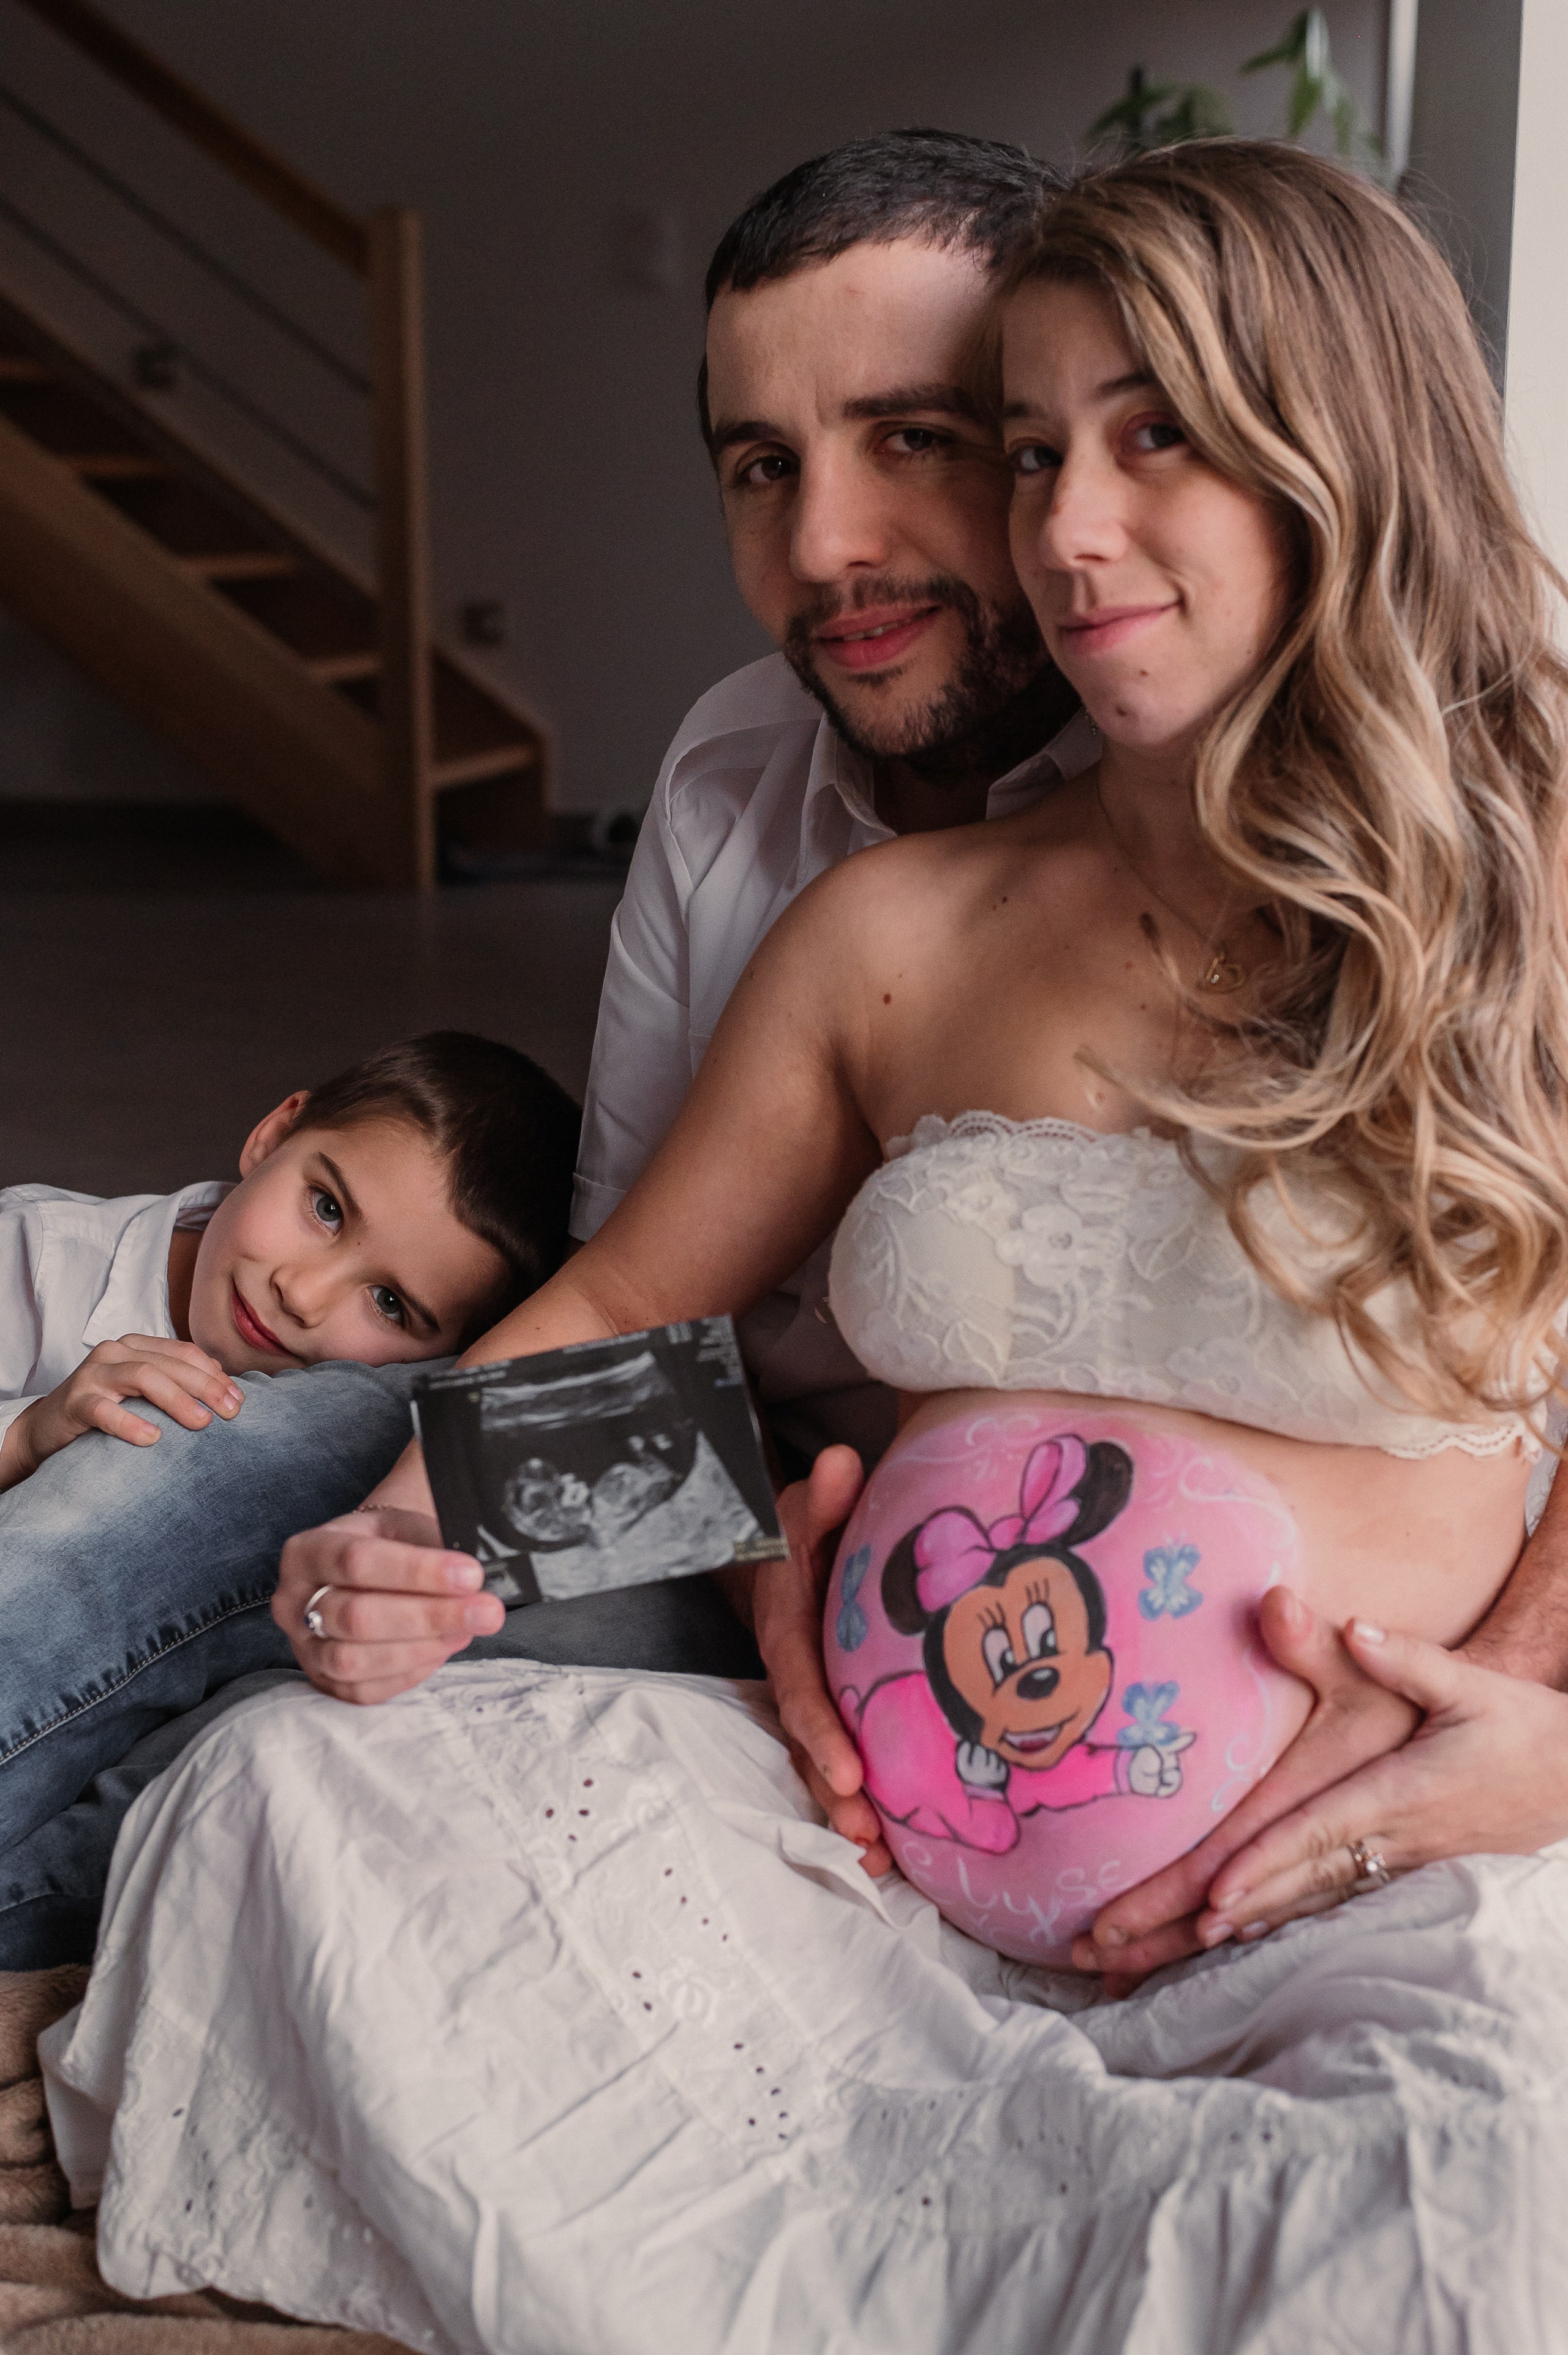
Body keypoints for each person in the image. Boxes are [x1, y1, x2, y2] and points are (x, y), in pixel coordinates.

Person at [58, 144, 1568, 2348]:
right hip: (851, 1770)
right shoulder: (805, 859)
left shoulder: (1515, 886)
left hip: (1319, 1861)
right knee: (274, 1771)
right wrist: (421, 1526)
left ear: (1329, 445)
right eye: (765, 466)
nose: (1044, 529)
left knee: (1466, 2197)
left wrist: (1541, 1714)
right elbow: (627, 1321)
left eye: (1116, 437)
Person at [0, 127, 1093, 1964]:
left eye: (912, 437)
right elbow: (632, 1318)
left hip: (1004, 1578)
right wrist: (503, 1530)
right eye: (763, 466)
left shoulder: (1190, 790)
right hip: (717, 1487)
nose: (827, 542)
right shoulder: (730, 768)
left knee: (263, 1704)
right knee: (269, 1459)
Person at [0, 1031, 576, 1493]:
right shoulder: (28, 1253)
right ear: (274, 1137)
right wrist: (25, 1439)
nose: (300, 1295)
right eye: (327, 1208)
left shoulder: (381, 1448)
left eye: (389, 1304)